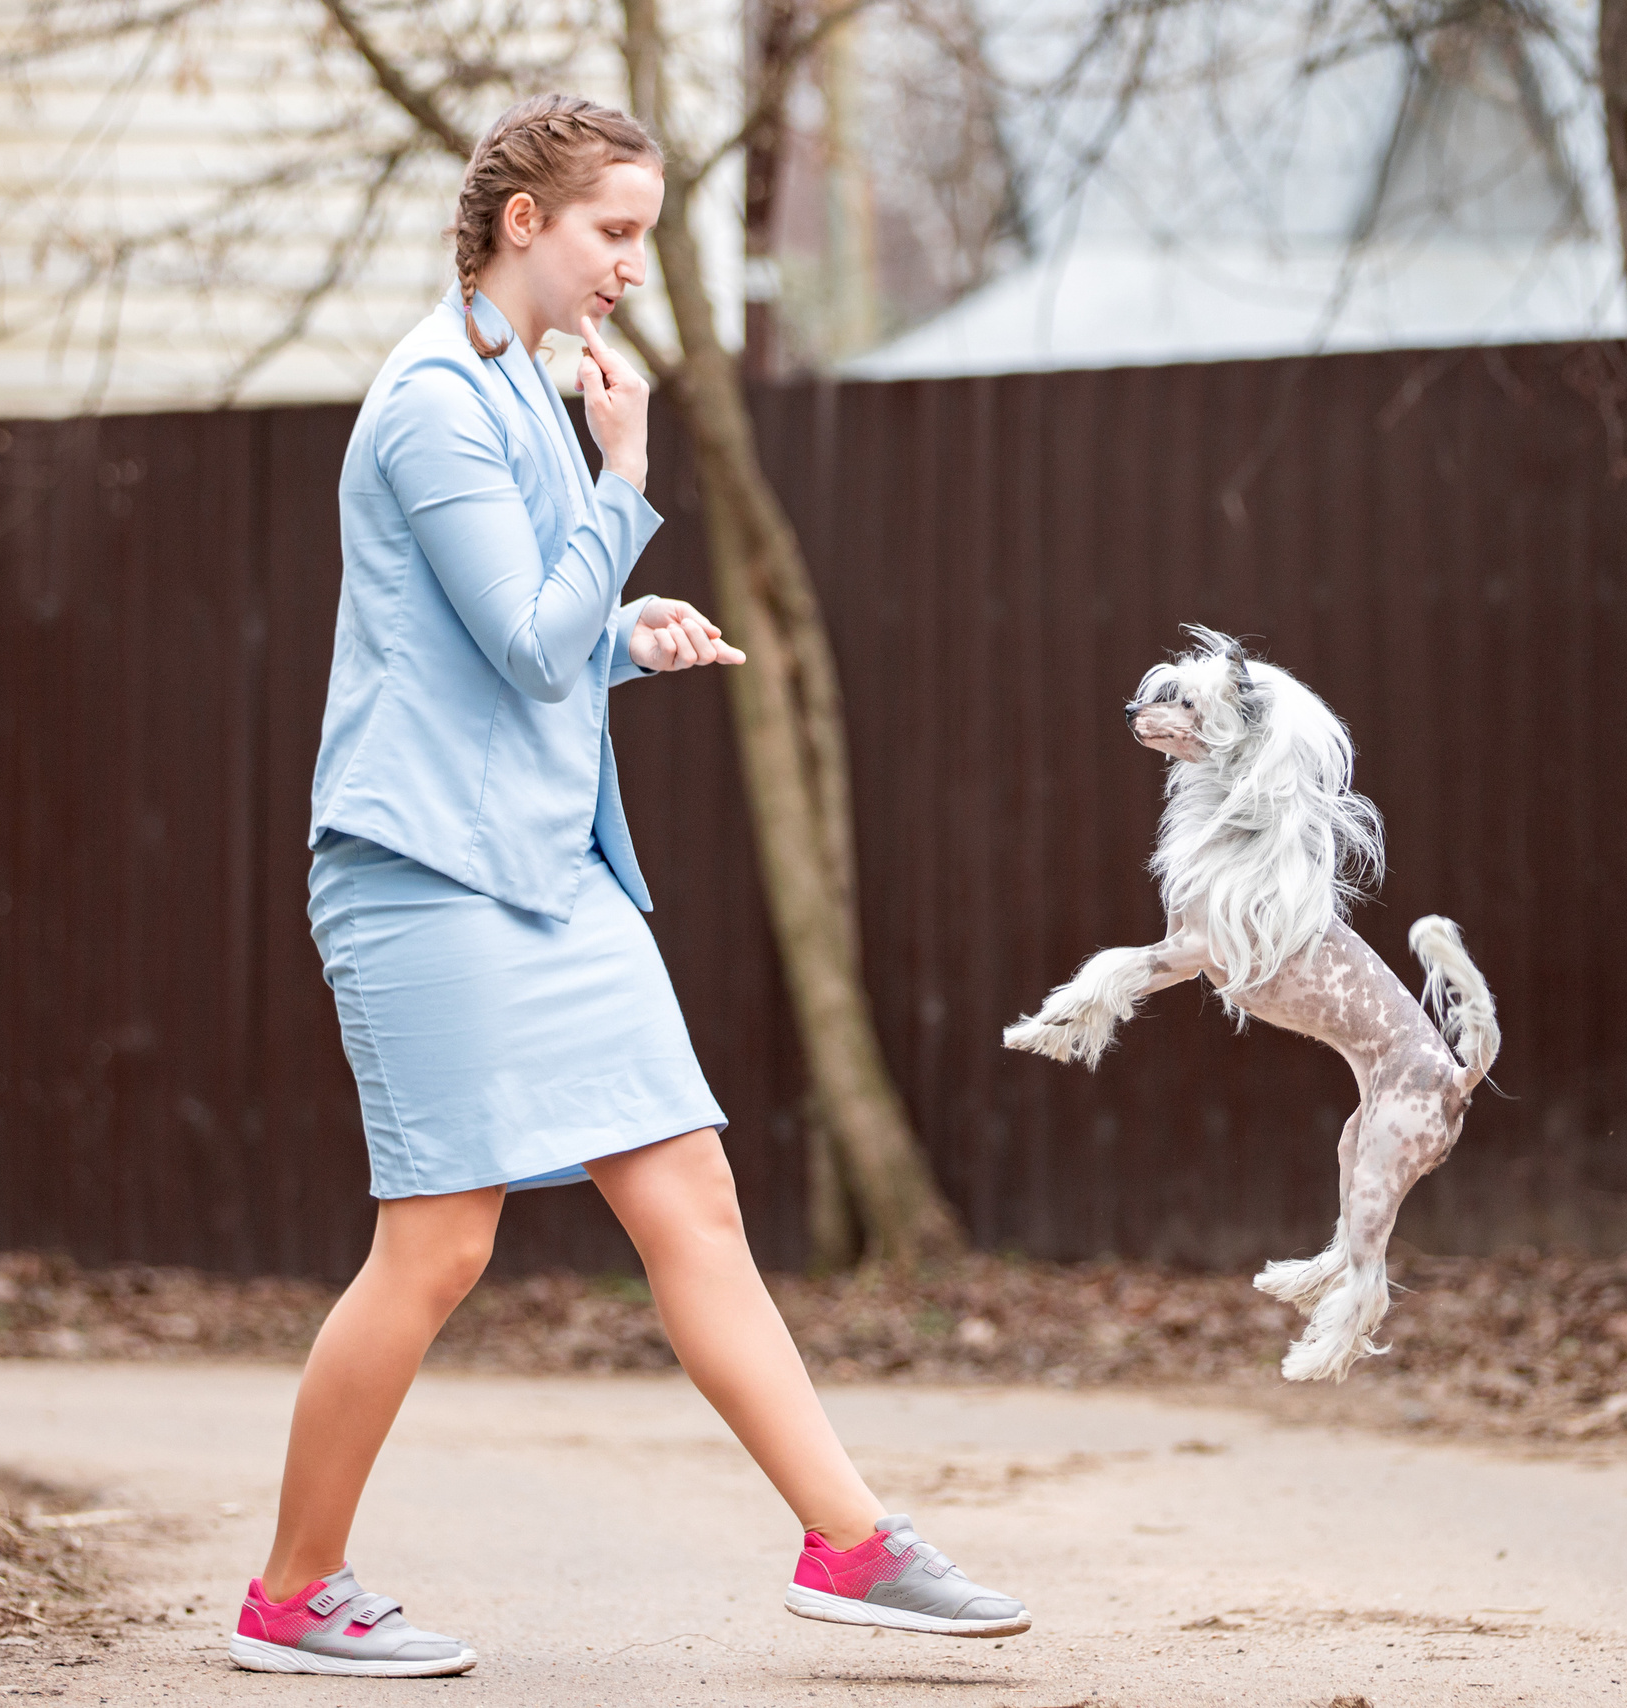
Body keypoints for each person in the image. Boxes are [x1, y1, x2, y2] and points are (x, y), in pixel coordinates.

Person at [227, 93, 1031, 1679]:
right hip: (424, 876)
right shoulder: (436, 404)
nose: (629, 267)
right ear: (523, 222)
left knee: (696, 1201)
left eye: (642, 235)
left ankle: (851, 1541)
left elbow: (536, 638)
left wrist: (628, 635)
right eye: (614, 231)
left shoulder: (530, 385)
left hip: (549, 872)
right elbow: (523, 635)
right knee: (440, 1248)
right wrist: (627, 477)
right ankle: (289, 1594)